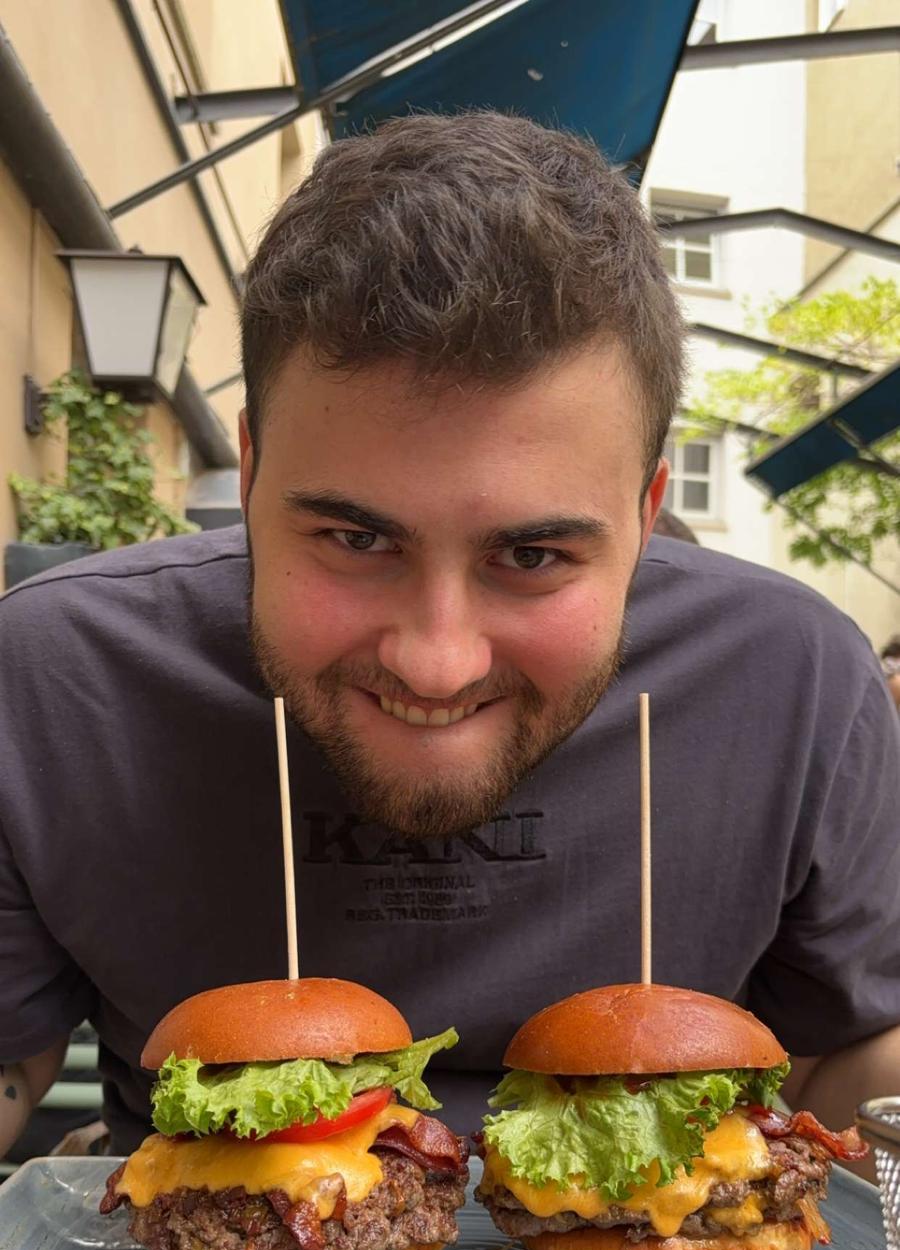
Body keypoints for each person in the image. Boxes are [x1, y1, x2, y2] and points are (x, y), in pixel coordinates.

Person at [1, 112, 898, 1171]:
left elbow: (849, 1055)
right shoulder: (59, 676)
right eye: (355, 538)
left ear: (647, 513)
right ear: (248, 475)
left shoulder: (797, 681)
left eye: (532, 555)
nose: (436, 662)